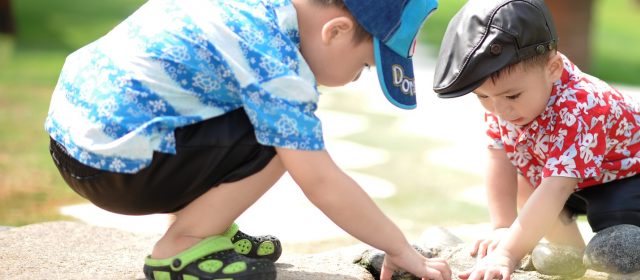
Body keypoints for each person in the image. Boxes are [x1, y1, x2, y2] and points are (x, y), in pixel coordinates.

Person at [45, 0, 451, 279]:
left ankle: (206, 225)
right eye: (363, 66)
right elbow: (320, 181)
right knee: (284, 140)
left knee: (254, 113)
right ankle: (184, 244)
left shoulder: (256, 11)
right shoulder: (276, 62)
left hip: (75, 141)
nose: (354, 79)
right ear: (336, 31)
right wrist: (399, 249)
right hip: (115, 165)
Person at [432, 0, 640, 279]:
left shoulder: (581, 106)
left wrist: (507, 253)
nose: (500, 110)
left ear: (553, 68)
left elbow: (557, 188)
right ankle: (574, 261)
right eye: (483, 97)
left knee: (615, 216)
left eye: (512, 96)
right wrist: (503, 227)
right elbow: (500, 158)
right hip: (585, 177)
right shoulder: (503, 103)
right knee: (528, 184)